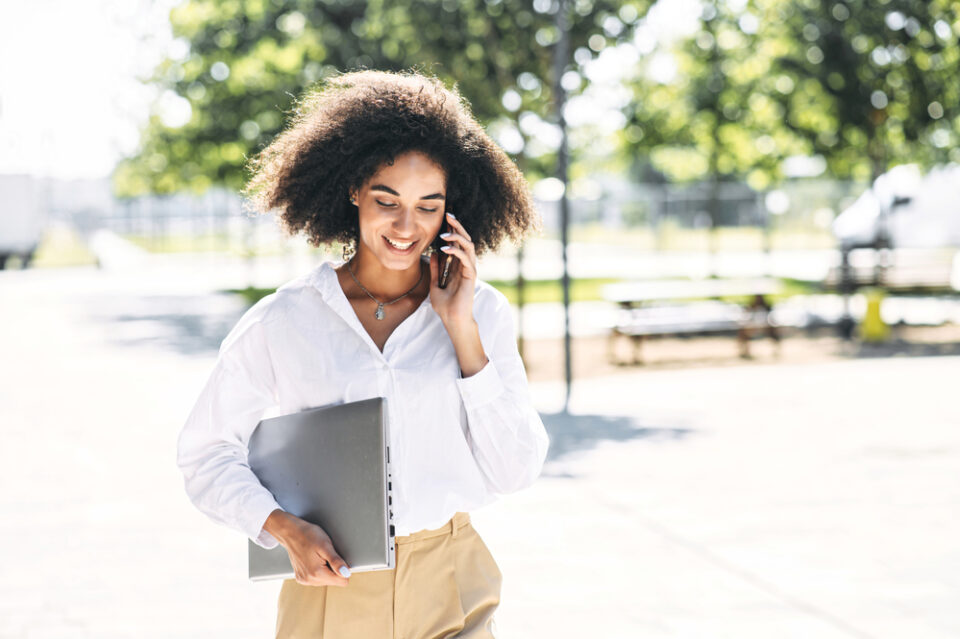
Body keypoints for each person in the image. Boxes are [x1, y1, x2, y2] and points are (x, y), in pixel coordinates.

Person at [175, 69, 550, 638]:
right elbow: (205, 453)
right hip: (332, 588)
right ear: (354, 190)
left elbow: (515, 471)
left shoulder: (482, 312)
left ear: (450, 211)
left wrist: (461, 332)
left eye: (428, 206)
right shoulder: (285, 319)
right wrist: (279, 528)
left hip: (451, 578)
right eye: (386, 200)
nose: (406, 225)